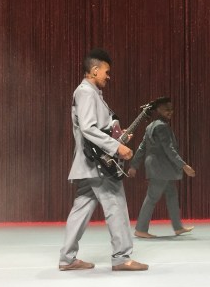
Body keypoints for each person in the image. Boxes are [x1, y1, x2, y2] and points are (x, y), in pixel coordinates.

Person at [58, 49, 148, 272]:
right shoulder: (86, 92)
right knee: (116, 205)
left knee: (81, 209)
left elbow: (98, 127)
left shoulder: (90, 93)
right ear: (95, 70)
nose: (108, 76)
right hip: (98, 164)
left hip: (88, 163)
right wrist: (116, 147)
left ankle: (67, 258)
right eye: (106, 72)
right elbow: (88, 128)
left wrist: (119, 135)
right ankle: (121, 257)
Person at [127, 97, 196, 238]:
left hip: (160, 167)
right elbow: (169, 149)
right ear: (158, 110)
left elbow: (142, 147)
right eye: (166, 110)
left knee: (172, 196)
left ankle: (177, 227)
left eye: (171, 109)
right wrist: (184, 166)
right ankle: (141, 229)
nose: (170, 112)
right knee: (152, 197)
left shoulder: (151, 126)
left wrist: (134, 165)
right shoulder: (161, 127)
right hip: (160, 168)